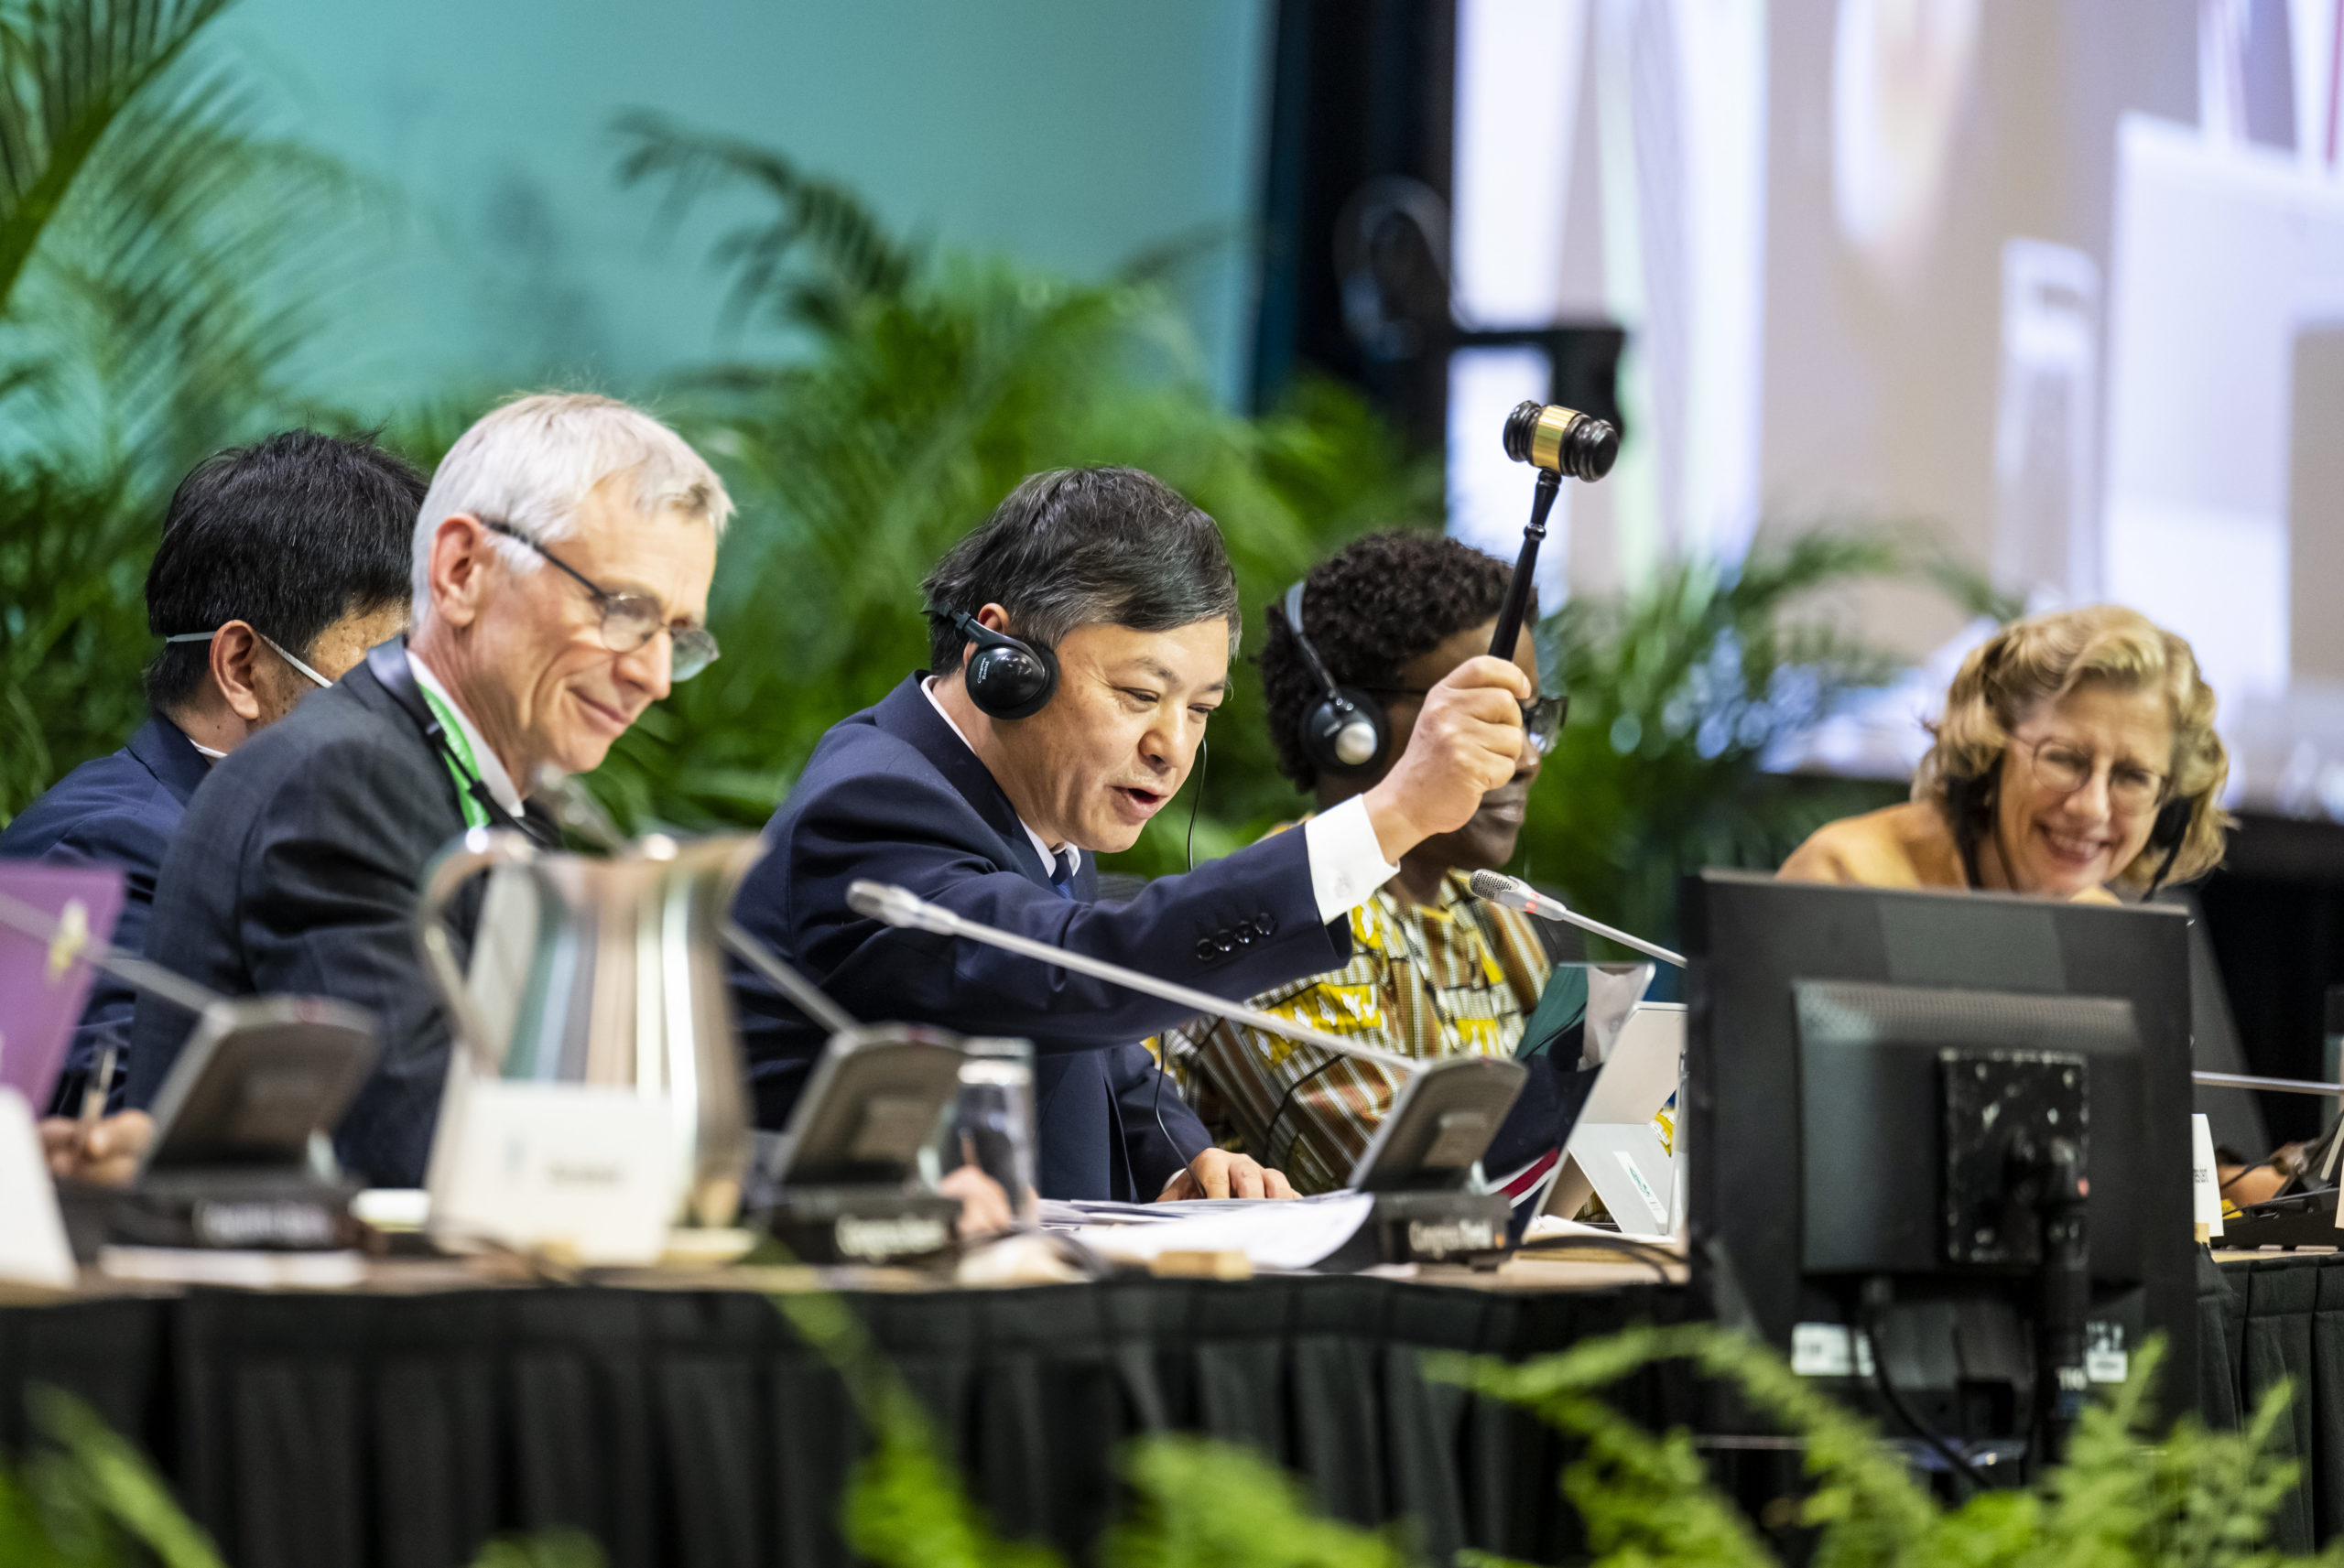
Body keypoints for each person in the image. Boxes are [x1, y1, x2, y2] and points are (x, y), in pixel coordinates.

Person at [728, 468, 1531, 1203]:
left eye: (1200, 710)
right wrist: (1395, 814)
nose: (1171, 746)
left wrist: (1186, 1162)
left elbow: (1098, 1052)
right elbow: (1072, 970)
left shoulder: (1029, 816)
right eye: (1139, 692)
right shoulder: (874, 806)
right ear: (1002, 658)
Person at [125, 394, 730, 1187]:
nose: (653, 676)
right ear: (461, 571)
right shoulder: (342, 777)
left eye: (676, 637)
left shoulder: (509, 795)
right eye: (623, 610)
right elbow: (424, 1145)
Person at [0, 431, 424, 1182]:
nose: (405, 709)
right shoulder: (105, 845)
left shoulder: (314, 831)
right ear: (241, 667)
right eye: (380, 671)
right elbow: (118, 1127)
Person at [1156, 531, 1570, 1195]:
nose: (1524, 757)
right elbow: (1417, 1189)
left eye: (1529, 719)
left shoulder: (1487, 905)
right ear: (1350, 729)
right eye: (1484, 718)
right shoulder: (1282, 916)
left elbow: (1612, 1143)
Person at [1778, 604, 2230, 902]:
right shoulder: (1841, 879)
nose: (2091, 807)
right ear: (1988, 755)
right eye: (2063, 759)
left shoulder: (2104, 927)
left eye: (2132, 777)